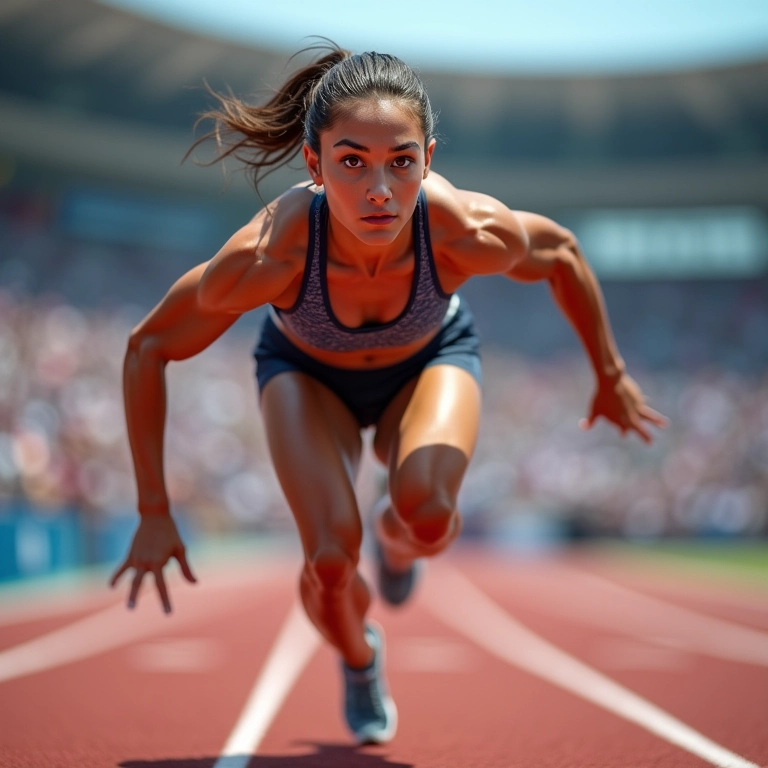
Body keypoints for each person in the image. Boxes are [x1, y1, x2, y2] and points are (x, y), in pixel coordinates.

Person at [110, 44, 668, 745]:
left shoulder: (461, 229)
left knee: (428, 514)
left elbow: (560, 253)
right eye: (352, 162)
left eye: (400, 162)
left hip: (427, 362)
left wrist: (609, 373)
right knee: (330, 562)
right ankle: (359, 656)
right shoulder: (272, 254)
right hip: (306, 377)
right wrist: (153, 510)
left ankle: (398, 547)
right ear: (314, 165)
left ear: (427, 158)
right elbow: (148, 345)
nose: (380, 189)